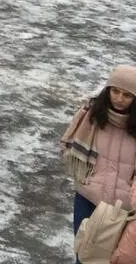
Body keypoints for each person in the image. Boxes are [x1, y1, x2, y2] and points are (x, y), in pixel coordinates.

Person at [61, 65, 136, 241]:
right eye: (115, 91)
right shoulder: (91, 115)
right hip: (88, 196)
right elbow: (68, 145)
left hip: (125, 206)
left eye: (127, 95)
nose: (119, 98)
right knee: (84, 251)